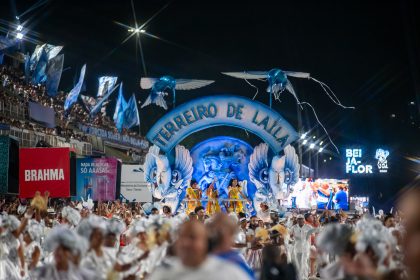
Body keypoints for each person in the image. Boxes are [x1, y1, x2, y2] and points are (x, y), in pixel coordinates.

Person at [149, 220, 252, 280]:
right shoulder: (163, 273)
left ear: (206, 242)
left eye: (192, 237)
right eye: (181, 237)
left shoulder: (229, 273)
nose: (185, 243)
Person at [289, 214, 318, 280]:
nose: (300, 220)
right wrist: (291, 240)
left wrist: (313, 242)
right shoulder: (294, 227)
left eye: (301, 219)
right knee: (298, 263)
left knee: (304, 262)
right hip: (297, 248)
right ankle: (299, 277)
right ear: (297, 220)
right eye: (299, 219)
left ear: (303, 219)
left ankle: (304, 278)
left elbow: (313, 234)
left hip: (306, 247)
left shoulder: (308, 227)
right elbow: (290, 236)